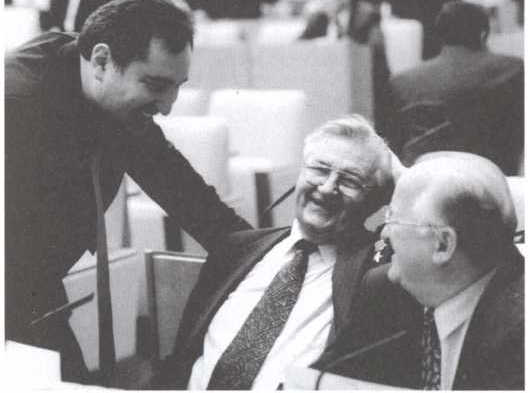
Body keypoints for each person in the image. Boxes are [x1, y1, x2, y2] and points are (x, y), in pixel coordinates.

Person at [5, 0, 251, 383]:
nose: (167, 106)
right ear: (102, 61)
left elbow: (191, 199)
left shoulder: (109, 95)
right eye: (156, 84)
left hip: (31, 284)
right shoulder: (16, 106)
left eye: (176, 87)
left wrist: (269, 255)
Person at [153, 115, 405, 389]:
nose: (327, 188)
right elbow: (169, 176)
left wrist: (404, 180)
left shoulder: (377, 272)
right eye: (319, 169)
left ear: (377, 200)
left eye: (350, 181)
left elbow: (437, 225)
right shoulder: (238, 247)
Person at [316, 152, 523, 390]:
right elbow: (320, 379)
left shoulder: (519, 333)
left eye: (393, 219)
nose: (384, 234)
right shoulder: (383, 290)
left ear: (443, 244)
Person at [388, 1, 524, 175]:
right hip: (489, 180)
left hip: (422, 179)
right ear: (483, 34)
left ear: (440, 34)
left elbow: (392, 147)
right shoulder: (512, 70)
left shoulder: (402, 82)